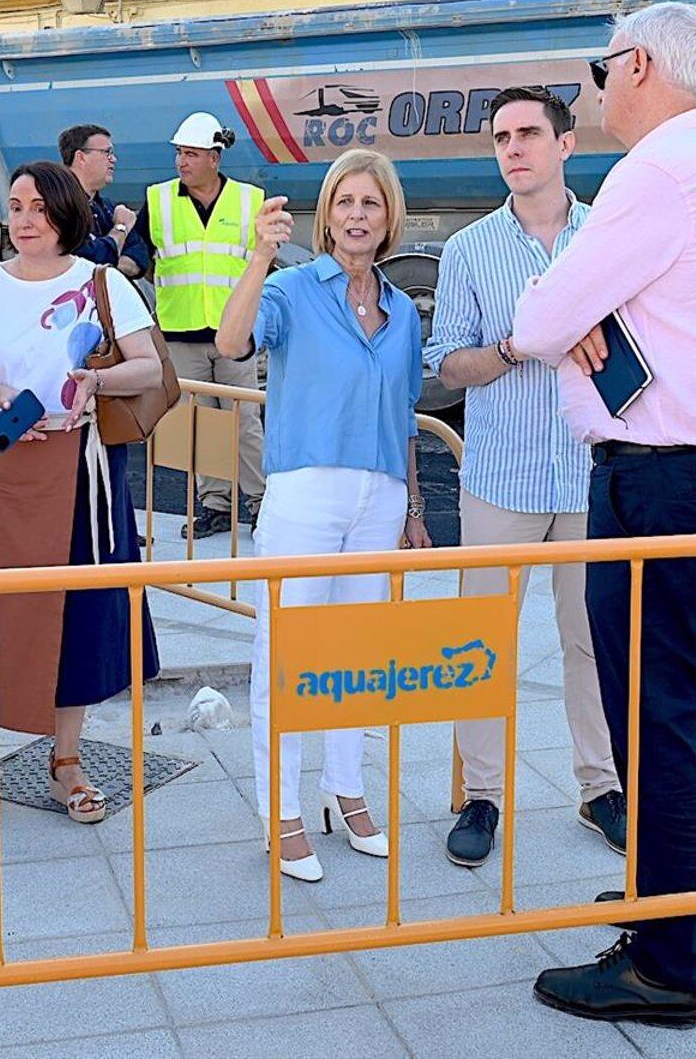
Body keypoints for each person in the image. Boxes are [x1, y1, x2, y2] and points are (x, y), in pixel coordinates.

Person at [513, 2, 696, 1027]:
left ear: (636, 65)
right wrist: (580, 314)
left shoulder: (657, 171)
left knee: (652, 705)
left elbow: (540, 318)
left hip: (658, 476)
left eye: (600, 67)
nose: (594, 88)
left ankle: (664, 960)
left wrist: (575, 312)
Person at [426, 85, 627, 870]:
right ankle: (481, 795)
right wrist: (518, 346)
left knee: (592, 640)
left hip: (587, 474)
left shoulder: (609, 236)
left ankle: (600, 788)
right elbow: (448, 364)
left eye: (529, 133)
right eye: (502, 137)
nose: (513, 148)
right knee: (480, 642)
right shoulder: (469, 249)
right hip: (500, 479)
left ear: (565, 144)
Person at [215, 148, 429, 884]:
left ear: (389, 215)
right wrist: (258, 257)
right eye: (345, 202)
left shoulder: (403, 312)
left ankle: (346, 789)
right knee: (287, 653)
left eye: (370, 203)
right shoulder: (293, 288)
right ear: (327, 215)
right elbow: (231, 342)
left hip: (380, 495)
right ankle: (280, 810)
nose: (357, 216)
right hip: (306, 491)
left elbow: (404, 413)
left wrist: (414, 506)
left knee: (355, 655)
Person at [0, 161, 164, 831]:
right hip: (3, 463)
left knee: (78, 612)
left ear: (64, 212)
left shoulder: (103, 282)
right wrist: (1, 394)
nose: (25, 219)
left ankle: (67, 761)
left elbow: (149, 366)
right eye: (16, 206)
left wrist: (99, 382)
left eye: (38, 207)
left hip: (81, 465)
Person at [144, 110, 267, 537]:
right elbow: (140, 255)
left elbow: (263, 263)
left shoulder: (250, 201)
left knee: (244, 420)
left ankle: (262, 503)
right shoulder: (158, 200)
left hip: (234, 336)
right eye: (179, 153)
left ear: (215, 157)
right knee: (198, 425)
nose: (182, 161)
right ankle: (215, 504)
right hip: (181, 334)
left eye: (191, 154)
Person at [59, 123, 150, 279]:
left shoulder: (108, 208)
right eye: (107, 152)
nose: (113, 159)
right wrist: (120, 228)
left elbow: (141, 257)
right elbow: (83, 259)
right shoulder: (58, 206)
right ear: (81, 157)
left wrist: (107, 261)